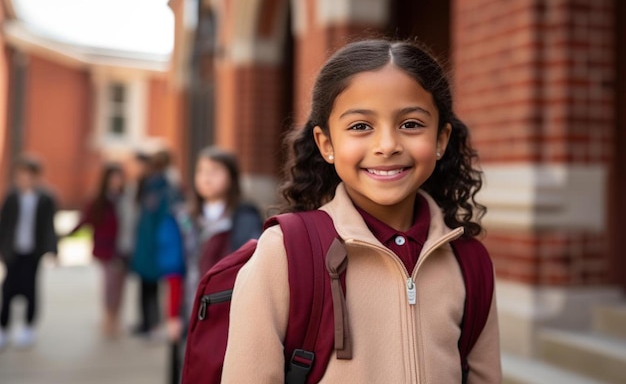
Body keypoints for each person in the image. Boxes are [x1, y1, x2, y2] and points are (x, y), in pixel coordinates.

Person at [221, 40, 501, 383]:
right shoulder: (283, 252)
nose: (387, 145)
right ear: (327, 144)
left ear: (441, 139)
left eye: (411, 124)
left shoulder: (470, 263)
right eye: (360, 126)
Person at [168, 147, 263, 381]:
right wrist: (172, 314)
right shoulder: (182, 218)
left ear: (231, 178)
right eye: (201, 171)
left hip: (232, 311)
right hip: (192, 308)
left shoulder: (245, 218)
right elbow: (174, 268)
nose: (206, 177)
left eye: (215, 171)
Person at [0, 155, 57, 350]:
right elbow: (4, 225)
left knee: (31, 290)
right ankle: (4, 327)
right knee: (7, 290)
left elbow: (49, 226)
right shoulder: (12, 197)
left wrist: (52, 250)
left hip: (32, 252)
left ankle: (28, 326)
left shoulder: (45, 198)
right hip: (13, 251)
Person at [66, 163, 126, 338]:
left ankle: (116, 317)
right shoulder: (98, 200)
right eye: (113, 177)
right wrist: (67, 234)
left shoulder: (126, 198)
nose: (116, 181)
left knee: (120, 286)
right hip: (105, 249)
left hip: (123, 249)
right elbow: (86, 220)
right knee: (109, 284)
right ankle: (108, 316)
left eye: (119, 176)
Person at [131, 150, 182, 337]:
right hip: (151, 243)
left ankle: (151, 323)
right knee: (148, 285)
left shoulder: (161, 188)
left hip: (154, 243)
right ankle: (147, 322)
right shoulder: (157, 186)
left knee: (151, 286)